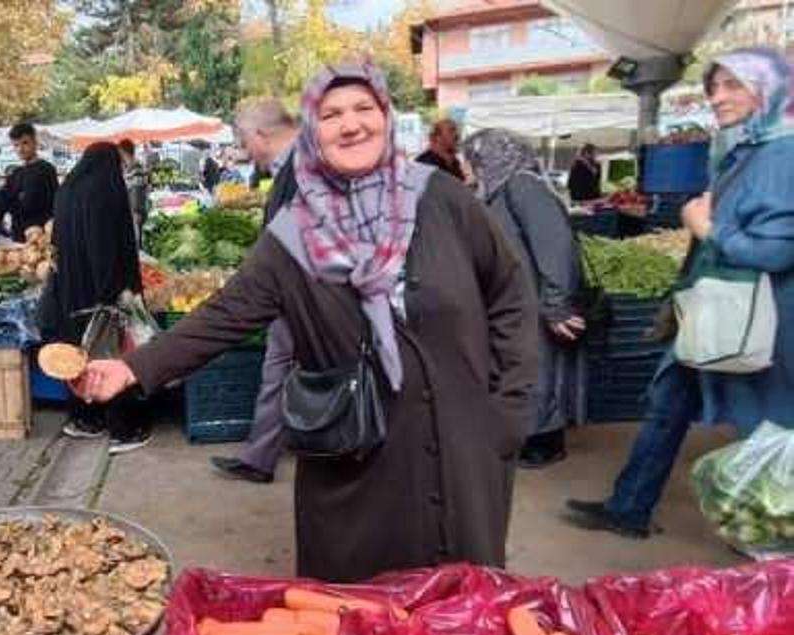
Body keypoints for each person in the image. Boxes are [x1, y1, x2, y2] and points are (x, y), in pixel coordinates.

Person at [74, 62, 537, 581]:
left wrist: (510, 409)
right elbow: (228, 312)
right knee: (361, 609)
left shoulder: (442, 199)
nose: (351, 124)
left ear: (386, 116)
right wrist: (134, 368)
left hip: (463, 446)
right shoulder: (294, 234)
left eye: (364, 108)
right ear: (314, 131)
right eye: (332, 113)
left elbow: (510, 294)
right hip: (359, 453)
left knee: (463, 609)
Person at [566, 47, 794, 538]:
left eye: (733, 85)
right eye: (714, 86)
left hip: (761, 321)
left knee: (770, 430)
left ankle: (776, 544)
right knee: (668, 403)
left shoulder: (782, 155)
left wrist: (706, 227)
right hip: (716, 310)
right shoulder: (744, 151)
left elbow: (776, 253)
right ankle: (630, 508)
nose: (717, 97)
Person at [465, 129, 586, 467]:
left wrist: (556, 304)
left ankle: (544, 442)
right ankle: (528, 435)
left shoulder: (523, 186)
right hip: (513, 302)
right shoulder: (496, 191)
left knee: (541, 370)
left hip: (536, 299)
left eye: (474, 159)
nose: (470, 167)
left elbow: (556, 246)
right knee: (522, 369)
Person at [210, 98, 300, 484]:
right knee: (278, 367)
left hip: (306, 297)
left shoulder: (306, 166)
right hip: (292, 295)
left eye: (246, 139)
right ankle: (260, 456)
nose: (245, 150)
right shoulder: (292, 167)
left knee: (289, 368)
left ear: (262, 134)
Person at [41, 143, 151, 455]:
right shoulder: (102, 192)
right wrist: (116, 293)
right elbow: (104, 250)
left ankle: (85, 420)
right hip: (99, 295)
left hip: (70, 292)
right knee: (110, 360)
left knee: (78, 358)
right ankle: (123, 431)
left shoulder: (67, 191)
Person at [1, 123, 59, 243]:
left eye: (25, 143)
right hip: (18, 234)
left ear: (35, 142)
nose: (20, 149)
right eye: (16, 145)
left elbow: (52, 202)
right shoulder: (15, 173)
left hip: (41, 236)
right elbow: (3, 200)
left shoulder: (46, 169)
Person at [117, 139, 149, 248]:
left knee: (136, 244)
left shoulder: (136, 167)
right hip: (131, 211)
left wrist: (136, 211)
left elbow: (138, 190)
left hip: (136, 212)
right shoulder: (129, 167)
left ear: (122, 151)